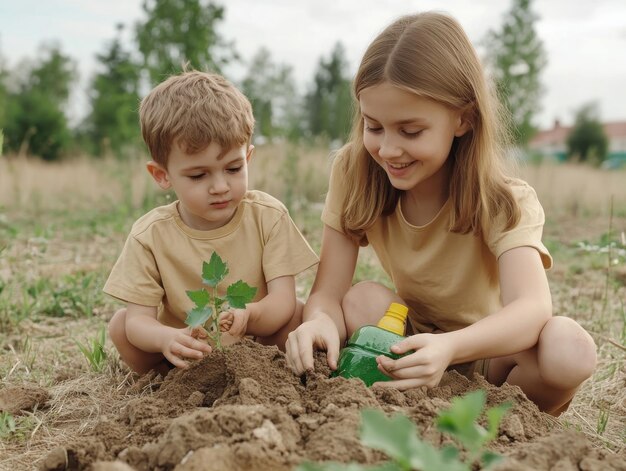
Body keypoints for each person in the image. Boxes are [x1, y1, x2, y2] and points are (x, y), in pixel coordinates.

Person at [285, 12, 596, 416]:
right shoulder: (355, 171)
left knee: (569, 350)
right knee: (361, 301)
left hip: (490, 356)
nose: (389, 150)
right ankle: (419, 407)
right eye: (373, 126)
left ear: (463, 118)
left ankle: (503, 421)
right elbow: (327, 291)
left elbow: (532, 309)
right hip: (409, 343)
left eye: (410, 131)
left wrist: (450, 348)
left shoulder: (504, 200)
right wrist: (321, 320)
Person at [105, 70, 318, 375]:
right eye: (198, 175)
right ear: (162, 175)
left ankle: (269, 376)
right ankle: (168, 383)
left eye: (233, 168)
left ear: (248, 157)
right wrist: (167, 338)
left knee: (297, 313)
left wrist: (251, 314)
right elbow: (138, 321)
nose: (220, 186)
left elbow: (282, 301)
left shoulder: (267, 216)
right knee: (120, 326)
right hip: (187, 351)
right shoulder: (149, 236)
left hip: (255, 344)